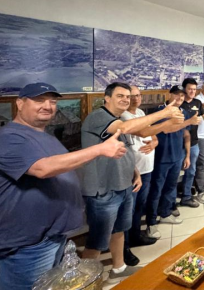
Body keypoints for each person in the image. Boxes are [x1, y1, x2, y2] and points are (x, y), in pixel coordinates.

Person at [0, 83, 127, 290]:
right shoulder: (9, 136)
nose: (48, 106)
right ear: (20, 103)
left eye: (52, 102)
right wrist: (100, 149)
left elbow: (62, 166)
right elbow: (42, 168)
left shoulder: (44, 136)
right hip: (27, 246)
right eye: (39, 100)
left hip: (52, 237)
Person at [78, 82, 184, 283]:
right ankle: (83, 283)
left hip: (123, 185)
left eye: (128, 96)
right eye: (120, 96)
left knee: (119, 230)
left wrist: (135, 172)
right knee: (97, 241)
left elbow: (141, 134)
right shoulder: (98, 117)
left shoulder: (118, 120)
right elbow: (125, 128)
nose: (126, 100)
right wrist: (165, 113)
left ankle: (118, 269)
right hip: (103, 190)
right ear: (107, 98)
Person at [146, 86, 201, 240]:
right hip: (161, 158)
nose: (179, 98)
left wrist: (187, 155)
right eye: (177, 95)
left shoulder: (183, 112)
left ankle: (165, 213)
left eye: (182, 96)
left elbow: (185, 134)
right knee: (156, 190)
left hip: (177, 156)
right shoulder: (161, 111)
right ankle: (151, 222)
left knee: (171, 187)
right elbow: (167, 129)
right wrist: (189, 121)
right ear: (169, 95)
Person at [121, 86, 159, 267]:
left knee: (139, 207)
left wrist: (154, 143)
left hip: (147, 168)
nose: (135, 99)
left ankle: (136, 236)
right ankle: (124, 248)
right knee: (127, 211)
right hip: (133, 171)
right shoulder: (123, 117)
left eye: (138, 95)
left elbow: (153, 135)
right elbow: (143, 132)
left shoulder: (141, 113)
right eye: (131, 96)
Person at [180, 78, 204, 206]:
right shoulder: (179, 103)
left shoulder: (197, 103)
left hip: (193, 142)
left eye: (194, 89)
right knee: (175, 173)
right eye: (190, 89)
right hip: (178, 143)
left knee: (191, 171)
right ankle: (169, 203)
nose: (192, 91)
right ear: (184, 89)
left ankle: (187, 196)